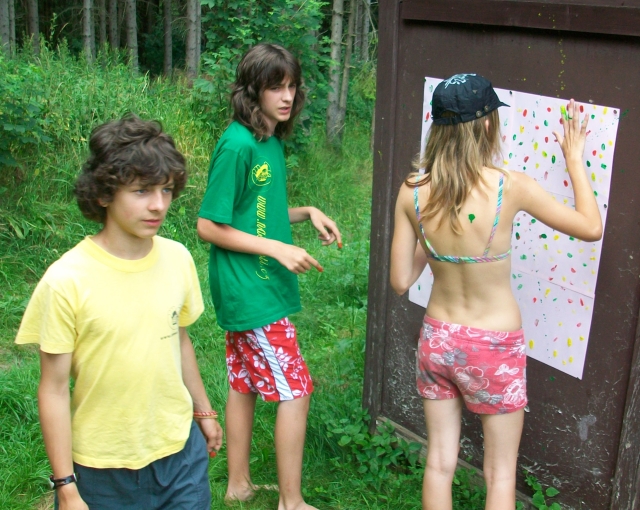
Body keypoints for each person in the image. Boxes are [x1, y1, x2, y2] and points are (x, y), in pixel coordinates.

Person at [390, 74, 602, 510]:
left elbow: (400, 280)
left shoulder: (412, 192)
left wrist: (434, 240)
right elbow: (590, 227)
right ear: (487, 125)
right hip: (494, 346)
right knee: (500, 473)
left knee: (439, 463)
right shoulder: (509, 185)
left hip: (438, 340)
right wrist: (574, 159)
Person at [15, 114, 223, 510]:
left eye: (166, 189)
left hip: (181, 456)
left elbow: (178, 338)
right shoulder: (66, 280)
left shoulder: (177, 258)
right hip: (101, 472)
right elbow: (53, 389)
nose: (158, 204)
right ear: (104, 194)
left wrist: (204, 410)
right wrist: (66, 488)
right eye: (142, 190)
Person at [197, 43, 342, 510]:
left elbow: (257, 211)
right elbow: (208, 225)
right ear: (252, 91)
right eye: (275, 87)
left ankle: (238, 485)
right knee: (296, 391)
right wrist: (278, 249)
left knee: (243, 384)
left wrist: (307, 212)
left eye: (292, 86)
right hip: (249, 290)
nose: (287, 96)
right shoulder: (237, 144)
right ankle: (291, 502)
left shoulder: (269, 142)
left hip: (258, 285)